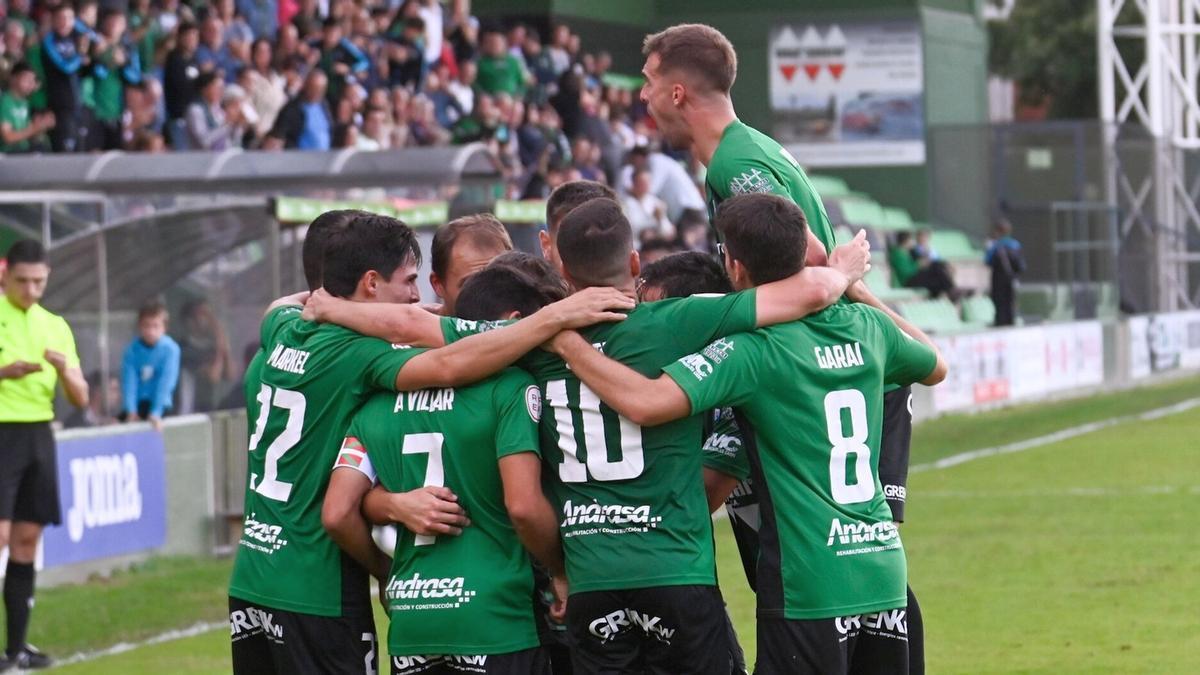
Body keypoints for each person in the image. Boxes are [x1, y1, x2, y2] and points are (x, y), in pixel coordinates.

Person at [303, 195, 870, 675]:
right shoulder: (680, 320)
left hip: (589, 578)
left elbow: (410, 324)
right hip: (673, 568)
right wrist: (844, 272)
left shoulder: (527, 338)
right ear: (634, 260)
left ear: (564, 274)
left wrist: (320, 304)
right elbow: (810, 293)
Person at [543, 194, 948, 675]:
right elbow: (935, 364)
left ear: (733, 266)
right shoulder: (866, 327)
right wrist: (855, 290)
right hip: (882, 569)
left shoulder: (750, 352)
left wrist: (565, 341)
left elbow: (647, 403)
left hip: (810, 582)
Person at [229, 212, 634, 675]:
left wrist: (341, 305)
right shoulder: (366, 358)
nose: (416, 297)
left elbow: (282, 304)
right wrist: (554, 321)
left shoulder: (282, 329)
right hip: (323, 586)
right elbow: (446, 368)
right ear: (371, 283)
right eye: (407, 282)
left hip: (253, 578)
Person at [329, 267, 565, 675]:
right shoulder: (511, 388)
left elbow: (337, 510)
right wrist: (561, 570)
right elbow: (523, 506)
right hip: (494, 616)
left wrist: (387, 570)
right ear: (508, 327)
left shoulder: (375, 403)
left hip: (412, 616)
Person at [638, 24, 832, 262]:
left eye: (649, 82)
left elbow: (813, 256)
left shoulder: (731, 163)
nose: (643, 95)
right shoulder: (744, 147)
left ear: (677, 94)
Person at [0, 239, 89, 671]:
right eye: (23, 281)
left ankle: (15, 649)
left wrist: (65, 371)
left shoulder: (54, 324)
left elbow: (81, 397)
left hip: (38, 433)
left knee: (26, 540)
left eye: (39, 281)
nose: (32, 290)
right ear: (5, 274)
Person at [429, 214, 514, 315]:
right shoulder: (413, 328)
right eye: (472, 286)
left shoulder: (524, 325)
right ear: (438, 284)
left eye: (499, 282)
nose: (487, 297)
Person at [119, 301, 180, 430]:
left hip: (161, 406)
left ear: (164, 328)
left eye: (155, 326)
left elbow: (166, 382)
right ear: (140, 327)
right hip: (138, 406)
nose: (151, 331)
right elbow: (129, 382)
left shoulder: (171, 350)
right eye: (146, 326)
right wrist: (131, 410)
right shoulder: (132, 351)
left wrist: (156, 412)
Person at [40, 3, 89, 152]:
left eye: (69, 18)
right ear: (53, 20)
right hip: (60, 107)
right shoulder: (49, 41)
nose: (65, 22)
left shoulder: (76, 38)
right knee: (64, 153)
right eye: (61, 18)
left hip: (78, 106)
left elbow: (87, 70)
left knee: (81, 151)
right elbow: (65, 67)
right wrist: (80, 56)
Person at [0, 62, 55, 153]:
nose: (31, 84)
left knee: (44, 145)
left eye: (33, 80)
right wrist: (34, 128)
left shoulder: (24, 103)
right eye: (27, 80)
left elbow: (27, 132)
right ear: (13, 79)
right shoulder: (5, 102)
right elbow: (8, 137)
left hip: (23, 149)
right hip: (9, 152)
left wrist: (42, 125)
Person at [986, 219, 1024, 327]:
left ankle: (1000, 323)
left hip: (998, 279)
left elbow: (988, 261)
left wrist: (988, 248)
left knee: (999, 303)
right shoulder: (1015, 244)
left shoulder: (995, 246)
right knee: (1011, 302)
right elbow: (1021, 264)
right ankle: (1011, 322)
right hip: (1012, 279)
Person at [620, 167, 673, 241]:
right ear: (634, 183)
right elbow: (630, 228)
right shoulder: (626, 203)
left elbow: (668, 231)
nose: (646, 186)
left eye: (648, 182)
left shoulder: (655, 202)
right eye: (642, 182)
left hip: (657, 244)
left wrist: (660, 219)